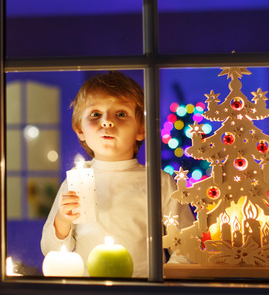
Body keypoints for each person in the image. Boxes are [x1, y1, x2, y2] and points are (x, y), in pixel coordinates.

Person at [40, 71, 194, 277]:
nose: (107, 122)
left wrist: (162, 282)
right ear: (80, 130)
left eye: (120, 114)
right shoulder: (75, 182)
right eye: (95, 114)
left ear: (141, 129)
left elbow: (186, 246)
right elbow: (50, 249)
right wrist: (63, 220)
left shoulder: (159, 182)